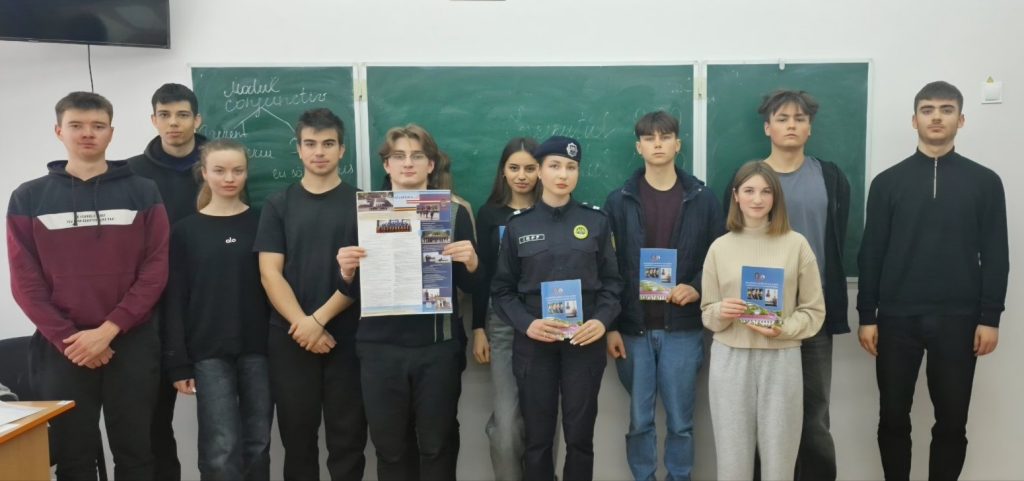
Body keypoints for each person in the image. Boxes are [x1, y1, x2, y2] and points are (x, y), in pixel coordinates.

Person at [8, 91, 169, 479]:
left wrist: (108, 331)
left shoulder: (143, 191)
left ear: (111, 133)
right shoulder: (28, 197)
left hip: (130, 343)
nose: (87, 134)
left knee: (137, 454)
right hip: (63, 348)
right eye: (76, 125)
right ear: (58, 131)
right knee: (73, 458)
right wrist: (72, 340)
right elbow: (25, 282)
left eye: (98, 126)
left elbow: (156, 269)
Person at [857, 81, 1008, 480]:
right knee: (892, 417)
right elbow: (871, 253)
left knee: (952, 422)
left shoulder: (985, 182)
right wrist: (867, 315)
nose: (936, 117)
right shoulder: (887, 183)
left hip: (959, 320)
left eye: (945, 109)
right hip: (896, 319)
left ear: (961, 119)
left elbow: (997, 254)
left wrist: (990, 317)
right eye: (927, 110)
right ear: (914, 120)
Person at [337, 124, 479, 480]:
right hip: (379, 348)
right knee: (390, 449)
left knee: (437, 445)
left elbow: (471, 286)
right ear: (386, 165)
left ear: (431, 164)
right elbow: (350, 292)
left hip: (437, 347)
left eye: (417, 156)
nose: (408, 163)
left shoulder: (455, 212)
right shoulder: (365, 213)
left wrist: (472, 263)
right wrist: (346, 273)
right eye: (398, 156)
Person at [721, 90, 851, 480]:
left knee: (813, 416)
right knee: (760, 421)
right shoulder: (749, 178)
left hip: (810, 316)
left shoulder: (830, 177)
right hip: (756, 315)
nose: (791, 125)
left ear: (809, 128)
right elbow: (729, 241)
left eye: (799, 119)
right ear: (767, 127)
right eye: (782, 118)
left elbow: (837, 242)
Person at [492, 135, 623, 481]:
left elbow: (613, 284)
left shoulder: (596, 221)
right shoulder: (519, 225)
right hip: (535, 344)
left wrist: (601, 321)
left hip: (584, 343)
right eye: (554, 166)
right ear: (539, 171)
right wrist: (527, 324)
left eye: (571, 167)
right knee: (537, 440)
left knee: (580, 438)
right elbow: (501, 290)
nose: (563, 174)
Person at [604, 111, 724, 481]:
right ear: (638, 146)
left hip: (683, 328)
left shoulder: (702, 198)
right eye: (649, 138)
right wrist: (611, 326)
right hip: (633, 328)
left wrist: (698, 285)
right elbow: (607, 266)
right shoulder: (618, 200)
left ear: (677, 144)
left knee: (681, 422)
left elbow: (720, 257)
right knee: (640, 420)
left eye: (665, 136)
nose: (658, 144)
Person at [254, 108, 367, 480]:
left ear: (342, 150)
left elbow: (365, 276)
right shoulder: (279, 204)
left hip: (348, 336)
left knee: (348, 441)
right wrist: (303, 324)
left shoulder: (365, 205)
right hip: (291, 337)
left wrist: (317, 321)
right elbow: (270, 273)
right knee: (298, 441)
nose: (319, 152)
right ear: (299, 149)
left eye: (328, 144)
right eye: (311, 144)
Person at [701, 160, 824, 481]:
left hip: (781, 359)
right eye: (749, 190)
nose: (757, 199)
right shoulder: (719, 248)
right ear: (736, 196)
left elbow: (814, 311)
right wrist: (721, 311)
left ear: (776, 197)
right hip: (730, 360)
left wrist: (783, 328)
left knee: (780, 461)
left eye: (766, 191)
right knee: (732, 461)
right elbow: (707, 312)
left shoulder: (796, 244)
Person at [163, 139, 272, 480]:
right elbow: (175, 299)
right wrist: (178, 362)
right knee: (220, 448)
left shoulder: (264, 223)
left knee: (258, 444)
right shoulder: (184, 231)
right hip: (208, 352)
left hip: (260, 349)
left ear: (247, 173)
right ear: (205, 173)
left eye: (238, 170)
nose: (229, 178)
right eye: (220, 170)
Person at [126, 82, 208, 481]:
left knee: (226, 423)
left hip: (207, 304)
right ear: (153, 119)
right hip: (151, 309)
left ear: (197, 120)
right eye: (165, 115)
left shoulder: (219, 165)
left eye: (182, 115)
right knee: (152, 422)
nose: (173, 123)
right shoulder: (131, 173)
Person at [473, 137, 540, 480]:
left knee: (542, 420)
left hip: (545, 321)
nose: (522, 176)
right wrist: (478, 327)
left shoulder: (551, 211)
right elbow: (482, 274)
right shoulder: (489, 214)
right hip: (500, 322)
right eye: (514, 168)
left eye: (530, 168)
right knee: (506, 423)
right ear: (503, 171)